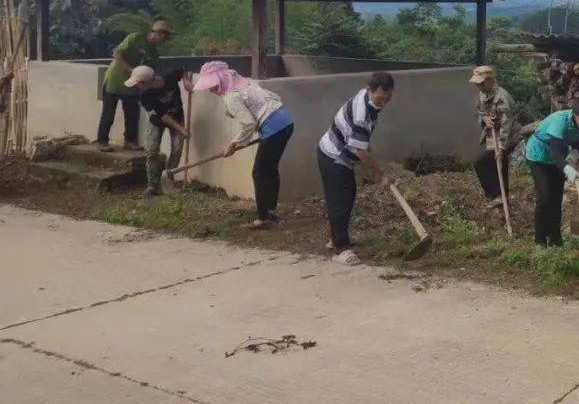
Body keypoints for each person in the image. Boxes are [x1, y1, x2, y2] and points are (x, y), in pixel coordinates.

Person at [190, 61, 295, 230]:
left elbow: (248, 124)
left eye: (213, 86)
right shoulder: (243, 84)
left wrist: (233, 144)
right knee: (269, 169)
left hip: (274, 127)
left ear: (221, 80)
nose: (211, 90)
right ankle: (271, 210)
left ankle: (263, 218)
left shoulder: (232, 96)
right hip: (286, 121)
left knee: (259, 173)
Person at [317, 72, 395, 265]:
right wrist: (381, 175)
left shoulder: (368, 99)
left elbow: (363, 144)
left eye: (387, 98)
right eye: (379, 98)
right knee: (339, 199)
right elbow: (361, 152)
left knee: (348, 193)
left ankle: (336, 235)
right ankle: (340, 249)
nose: (383, 102)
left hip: (341, 155)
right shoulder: (362, 114)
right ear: (369, 90)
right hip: (333, 155)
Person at [524, 91, 579, 246]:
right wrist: (568, 169)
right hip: (539, 157)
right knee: (545, 196)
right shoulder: (559, 121)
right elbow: (555, 152)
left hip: (559, 160)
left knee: (556, 197)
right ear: (577, 114)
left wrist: (574, 155)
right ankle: (540, 240)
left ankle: (555, 239)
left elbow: (577, 143)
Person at [97, 19, 172, 152]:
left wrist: (148, 82)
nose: (163, 40)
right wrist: (131, 70)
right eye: (163, 37)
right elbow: (117, 54)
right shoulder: (135, 38)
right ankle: (102, 141)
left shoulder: (154, 53)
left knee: (132, 114)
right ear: (157, 33)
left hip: (133, 85)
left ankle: (130, 141)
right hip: (115, 80)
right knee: (108, 113)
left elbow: (151, 71)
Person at [125, 64, 188, 197]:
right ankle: (152, 185)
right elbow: (163, 116)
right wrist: (181, 129)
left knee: (177, 149)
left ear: (147, 81)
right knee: (152, 151)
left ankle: (167, 180)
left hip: (177, 115)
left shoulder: (169, 77)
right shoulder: (145, 96)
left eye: (139, 83)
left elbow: (182, 69)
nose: (138, 86)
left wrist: (186, 81)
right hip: (157, 121)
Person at [470, 65, 516, 209]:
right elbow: (478, 110)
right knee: (485, 163)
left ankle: (499, 195)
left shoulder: (502, 98)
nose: (479, 86)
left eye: (482, 83)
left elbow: (506, 125)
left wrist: (502, 148)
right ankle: (497, 195)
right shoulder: (483, 94)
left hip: (506, 135)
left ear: (490, 80)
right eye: (477, 84)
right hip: (491, 135)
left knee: (492, 161)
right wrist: (484, 118)